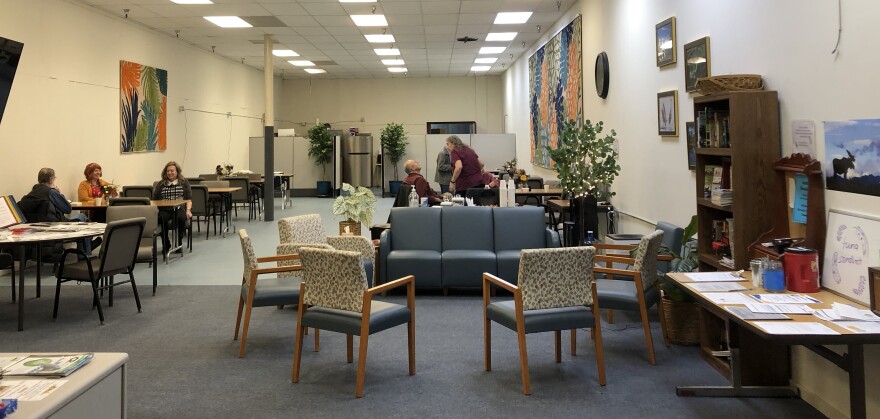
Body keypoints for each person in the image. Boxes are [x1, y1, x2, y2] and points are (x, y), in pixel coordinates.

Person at [18, 168, 95, 255]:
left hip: (36, 228)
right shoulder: (51, 192)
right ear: (51, 179)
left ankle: (86, 247)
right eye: (54, 178)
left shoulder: (31, 194)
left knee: (81, 219)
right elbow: (68, 209)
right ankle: (86, 252)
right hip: (55, 225)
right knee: (82, 217)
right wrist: (59, 194)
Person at [152, 161, 192, 254]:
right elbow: (155, 199)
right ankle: (166, 243)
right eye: (168, 171)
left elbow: (189, 199)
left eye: (172, 171)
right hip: (164, 209)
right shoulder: (161, 184)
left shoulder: (184, 182)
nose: (169, 173)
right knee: (161, 219)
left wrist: (188, 210)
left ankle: (179, 242)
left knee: (181, 218)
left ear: (177, 171)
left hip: (179, 208)